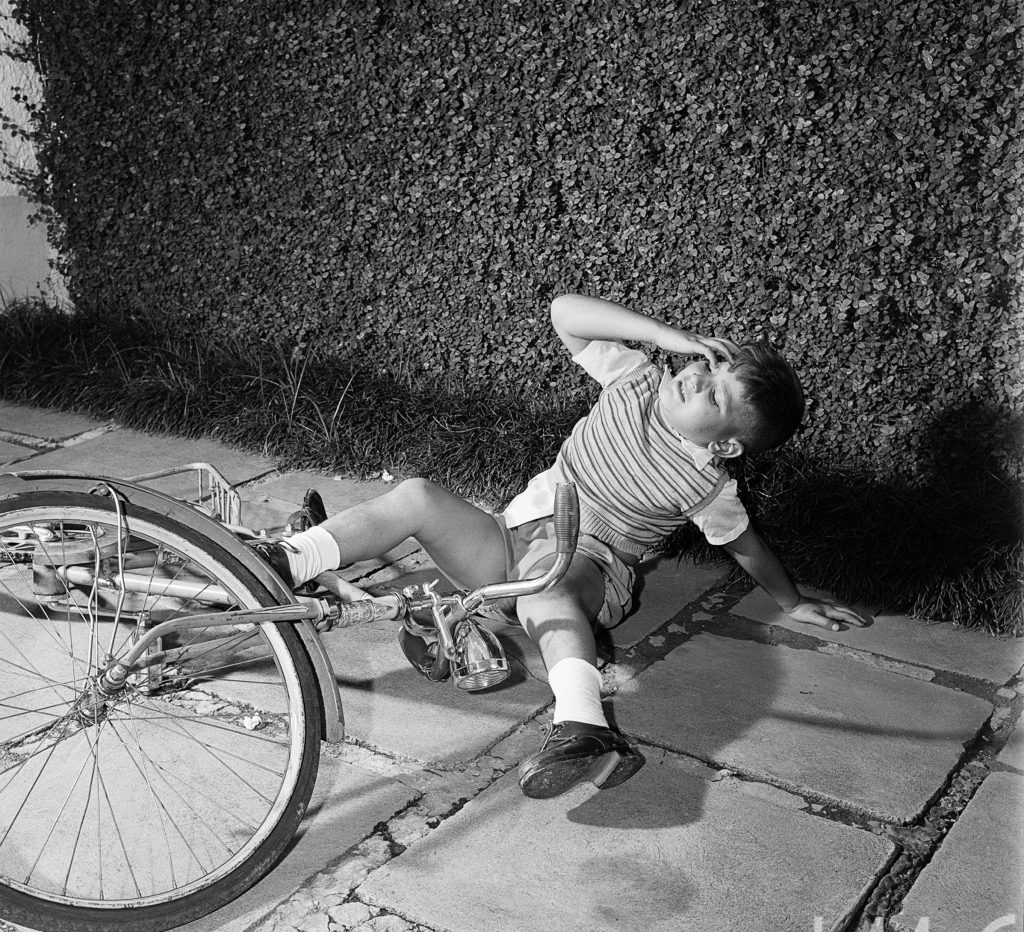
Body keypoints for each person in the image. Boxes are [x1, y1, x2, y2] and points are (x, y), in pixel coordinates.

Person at [253, 294, 868, 799]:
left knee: (548, 589)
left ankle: (582, 724)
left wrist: (790, 602)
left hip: (588, 564)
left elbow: (745, 544)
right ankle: (287, 561)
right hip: (506, 542)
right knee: (416, 497)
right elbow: (565, 312)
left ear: (726, 445)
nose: (695, 378)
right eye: (703, 366)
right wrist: (665, 334)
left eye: (714, 394)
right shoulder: (635, 381)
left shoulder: (707, 485)